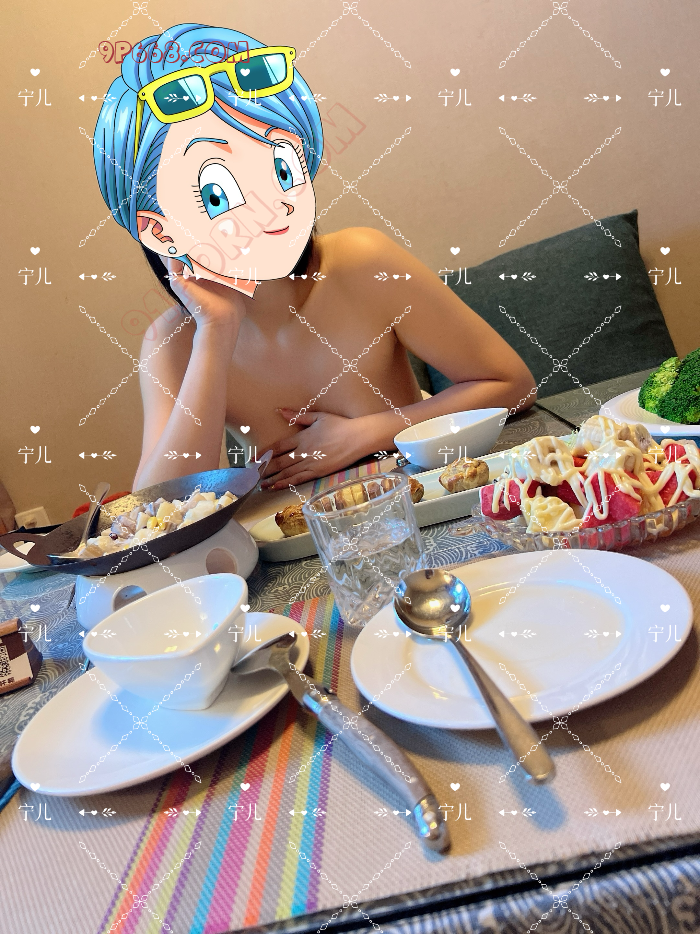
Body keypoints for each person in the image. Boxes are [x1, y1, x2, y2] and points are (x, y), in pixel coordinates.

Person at [93, 24, 536, 491]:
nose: (274, 204)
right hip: (295, 533)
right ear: (159, 229)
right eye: (218, 193)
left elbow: (511, 385)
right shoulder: (173, 342)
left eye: (282, 167)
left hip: (424, 505)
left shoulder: (362, 261)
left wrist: (369, 433)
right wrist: (215, 333)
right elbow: (160, 506)